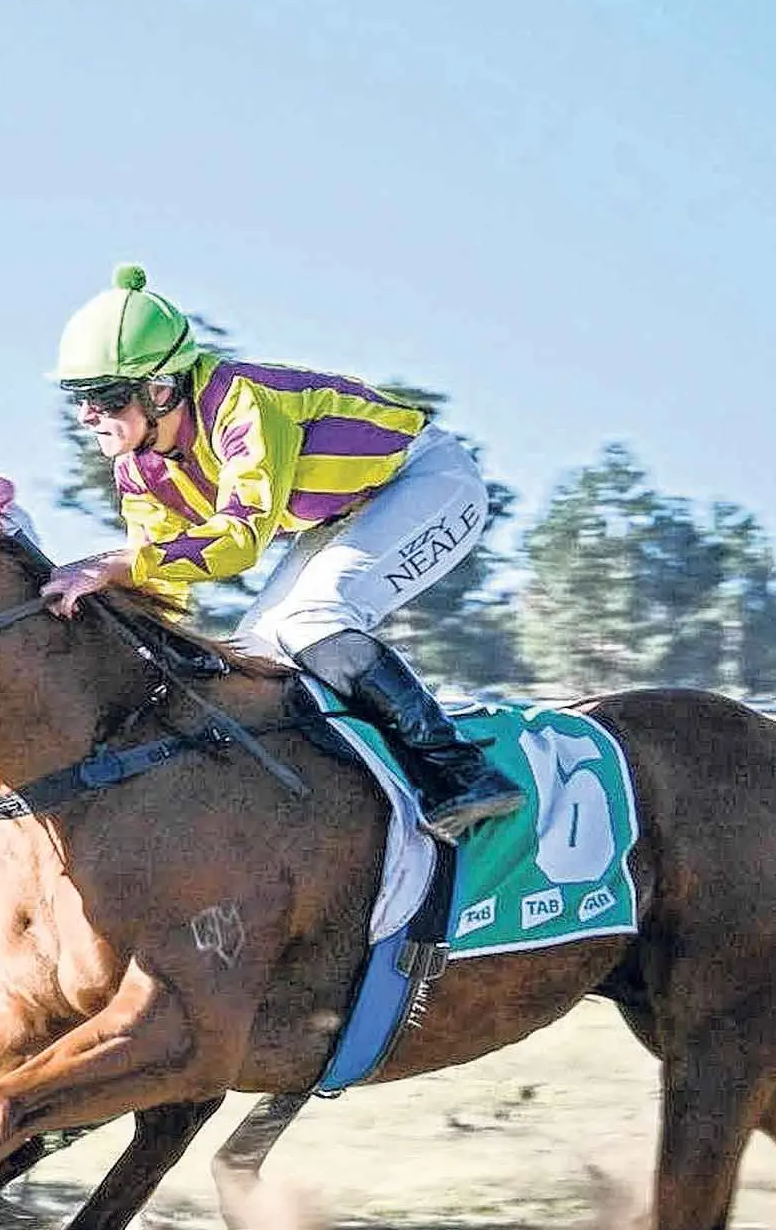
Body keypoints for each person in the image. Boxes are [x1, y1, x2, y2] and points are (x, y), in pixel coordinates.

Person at [41, 265, 521, 842]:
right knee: (256, 652)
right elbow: (163, 577)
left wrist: (116, 565)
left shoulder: (242, 404)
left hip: (426, 482)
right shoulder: (137, 468)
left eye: (104, 398)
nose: (87, 416)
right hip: (348, 513)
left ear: (161, 390)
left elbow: (238, 540)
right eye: (80, 399)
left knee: (311, 620)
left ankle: (461, 772)